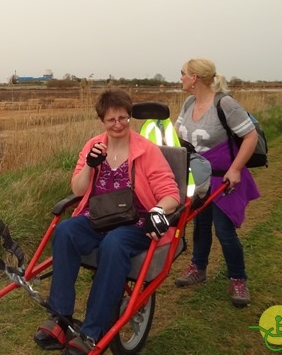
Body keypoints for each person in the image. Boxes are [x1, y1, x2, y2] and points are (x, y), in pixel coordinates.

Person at [33, 89, 180, 355]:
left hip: (136, 222)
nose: (118, 125)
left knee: (114, 243)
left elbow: (171, 194)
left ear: (129, 117)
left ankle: (92, 331)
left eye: (123, 118)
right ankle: (60, 318)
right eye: (112, 120)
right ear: (102, 119)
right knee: (66, 230)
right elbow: (78, 190)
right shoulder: (94, 146)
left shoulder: (146, 151)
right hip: (97, 217)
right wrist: (90, 165)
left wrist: (159, 211)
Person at [174, 58, 260, 307]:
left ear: (195, 78)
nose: (180, 78)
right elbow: (178, 134)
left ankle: (238, 279)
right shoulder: (189, 102)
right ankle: (198, 268)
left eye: (183, 74)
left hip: (224, 178)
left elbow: (250, 136)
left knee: (224, 230)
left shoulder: (225, 104)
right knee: (200, 224)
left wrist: (235, 170)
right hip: (198, 177)